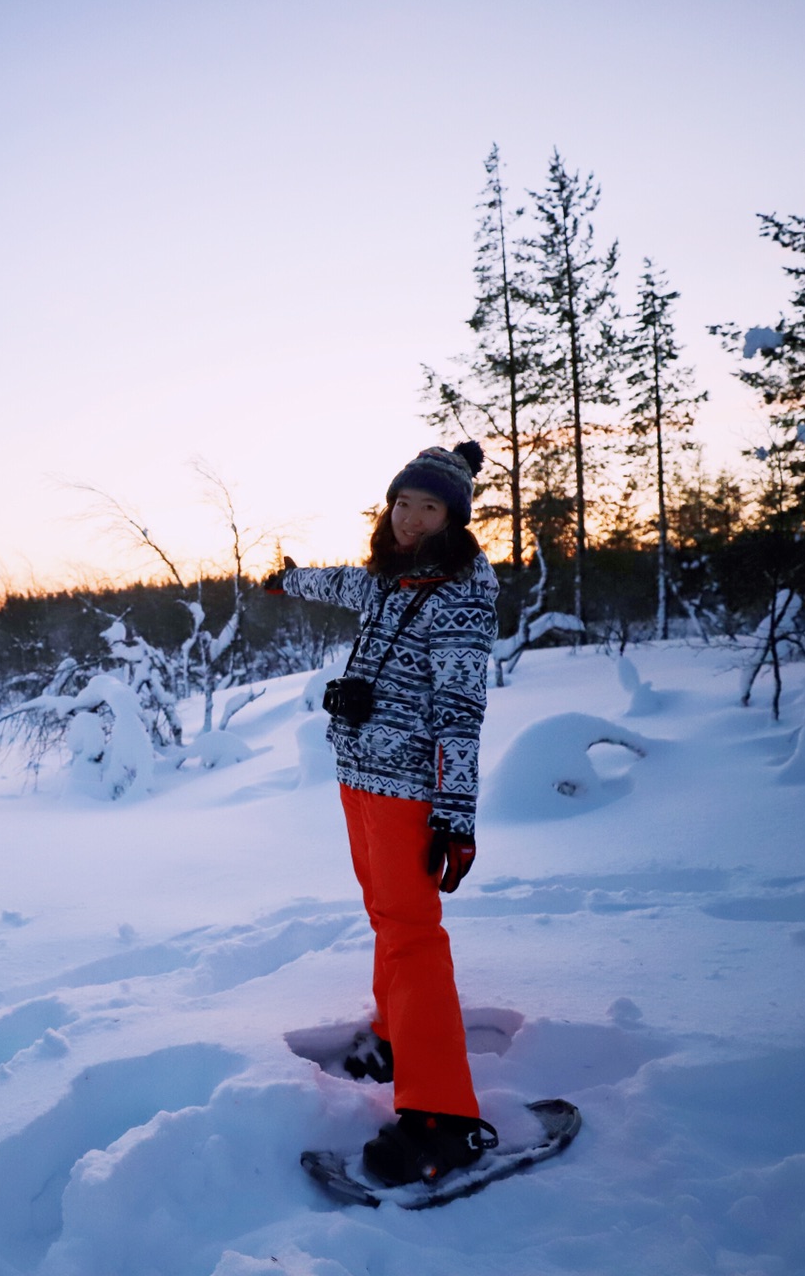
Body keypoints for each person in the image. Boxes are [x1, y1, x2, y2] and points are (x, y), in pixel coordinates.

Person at [263, 442, 501, 1187]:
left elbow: (461, 709)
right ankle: (398, 1038)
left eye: (428, 508)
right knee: (387, 921)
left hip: (408, 791)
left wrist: (454, 814)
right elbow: (341, 582)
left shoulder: (459, 589)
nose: (410, 518)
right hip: (360, 777)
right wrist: (287, 579)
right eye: (402, 503)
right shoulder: (391, 579)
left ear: (453, 518)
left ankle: (444, 1118)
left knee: (413, 937)